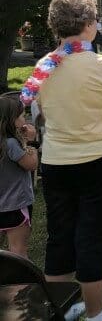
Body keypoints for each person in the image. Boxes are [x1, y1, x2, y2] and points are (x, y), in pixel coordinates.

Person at [26, 0, 102, 321]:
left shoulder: (43, 68)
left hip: (56, 162)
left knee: (60, 236)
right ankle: (96, 315)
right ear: (88, 25)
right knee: (92, 237)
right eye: (96, 19)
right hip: (100, 161)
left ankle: (63, 309)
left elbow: (40, 114)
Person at [0, 96, 38, 257]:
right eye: (22, 116)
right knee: (18, 251)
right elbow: (31, 165)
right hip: (15, 205)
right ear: (11, 120)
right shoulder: (11, 145)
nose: (25, 119)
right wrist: (31, 143)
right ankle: (20, 282)